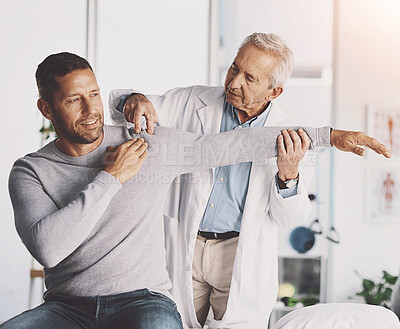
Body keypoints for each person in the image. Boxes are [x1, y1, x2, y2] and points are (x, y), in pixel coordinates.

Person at [2, 52, 345, 329]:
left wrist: (328, 136)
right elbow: (49, 249)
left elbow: (229, 146)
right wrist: (110, 178)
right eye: (75, 100)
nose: (91, 110)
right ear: (46, 109)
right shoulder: (30, 170)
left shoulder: (144, 142)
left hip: (142, 299)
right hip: (67, 308)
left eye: (93, 94)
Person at [109, 32, 391, 328]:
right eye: (234, 68)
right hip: (185, 244)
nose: (233, 82)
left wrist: (288, 174)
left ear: (274, 92)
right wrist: (134, 99)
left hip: (237, 252)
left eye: (249, 78)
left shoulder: (292, 137)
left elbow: (290, 218)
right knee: (173, 320)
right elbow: (130, 109)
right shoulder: (192, 102)